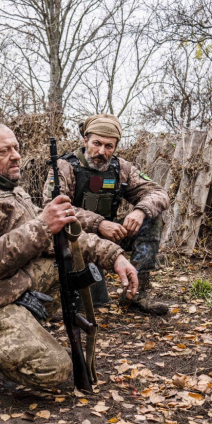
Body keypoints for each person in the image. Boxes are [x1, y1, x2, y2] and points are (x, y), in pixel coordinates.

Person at [0, 123, 138, 391]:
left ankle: (15, 327)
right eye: (4, 151)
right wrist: (43, 225)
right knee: (55, 370)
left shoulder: (8, 188)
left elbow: (60, 236)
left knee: (65, 264)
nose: (15, 155)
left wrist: (114, 256)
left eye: (16, 148)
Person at [44, 113, 170, 315]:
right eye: (97, 143)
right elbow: (54, 207)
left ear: (116, 147)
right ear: (85, 140)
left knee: (152, 218)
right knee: (91, 305)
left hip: (110, 236)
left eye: (109, 146)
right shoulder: (65, 166)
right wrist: (99, 223)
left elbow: (158, 193)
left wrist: (139, 211)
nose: (101, 151)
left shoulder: (122, 169)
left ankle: (136, 293)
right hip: (74, 239)